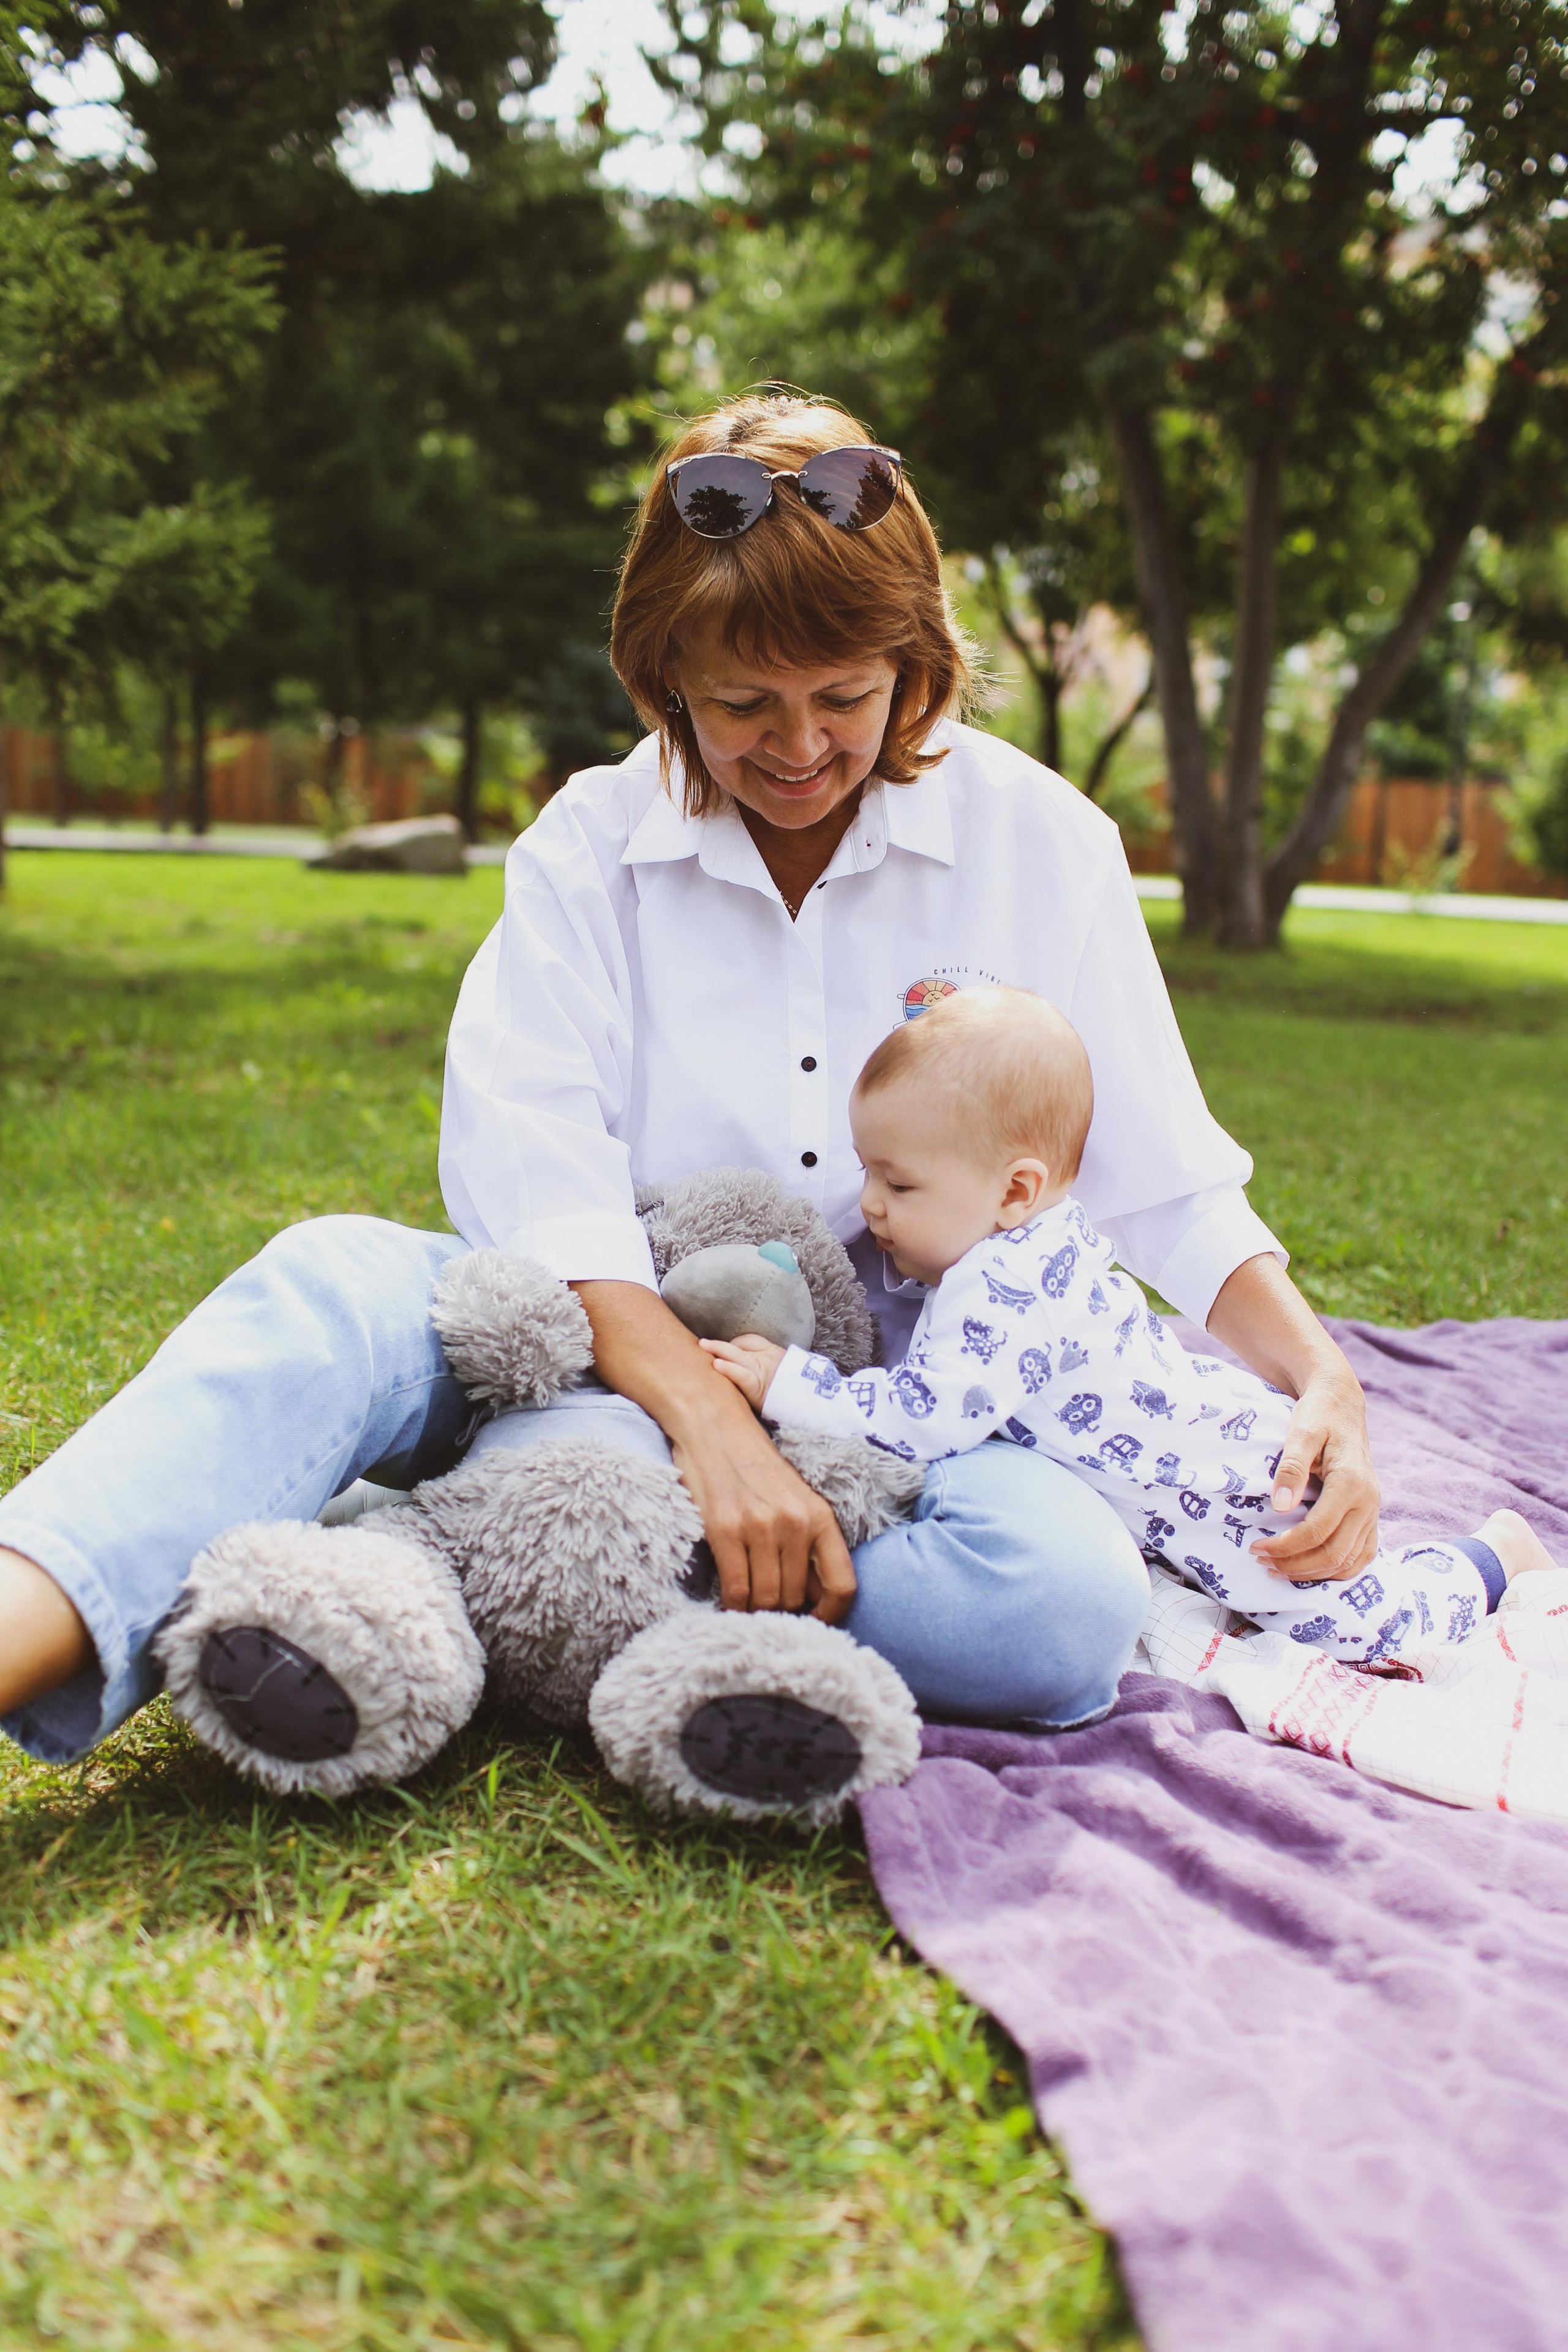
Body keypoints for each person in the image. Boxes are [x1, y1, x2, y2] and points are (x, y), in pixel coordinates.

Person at [0, 392, 1383, 1765]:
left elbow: (1159, 1178)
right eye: (740, 705)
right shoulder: (585, 850)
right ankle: (47, 1615)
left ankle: (502, 1563)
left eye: (842, 698)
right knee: (329, 1284)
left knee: (1056, 1613)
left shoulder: (1044, 844)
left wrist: (1320, 1377)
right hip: (582, 1351)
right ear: (665, 677)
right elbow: (539, 1178)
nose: (795, 749)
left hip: (892, 1417)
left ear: (913, 662)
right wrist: (707, 1425)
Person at [706, 988, 1553, 1665]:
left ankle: (1491, 1560)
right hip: (1207, 1441)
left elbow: (924, 1421)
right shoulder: (1039, 1237)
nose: (870, 1204)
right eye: (868, 1172)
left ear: (1014, 1189)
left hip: (1244, 1495)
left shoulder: (997, 1287)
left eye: (899, 1184)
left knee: (1367, 1630)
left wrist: (790, 1381)